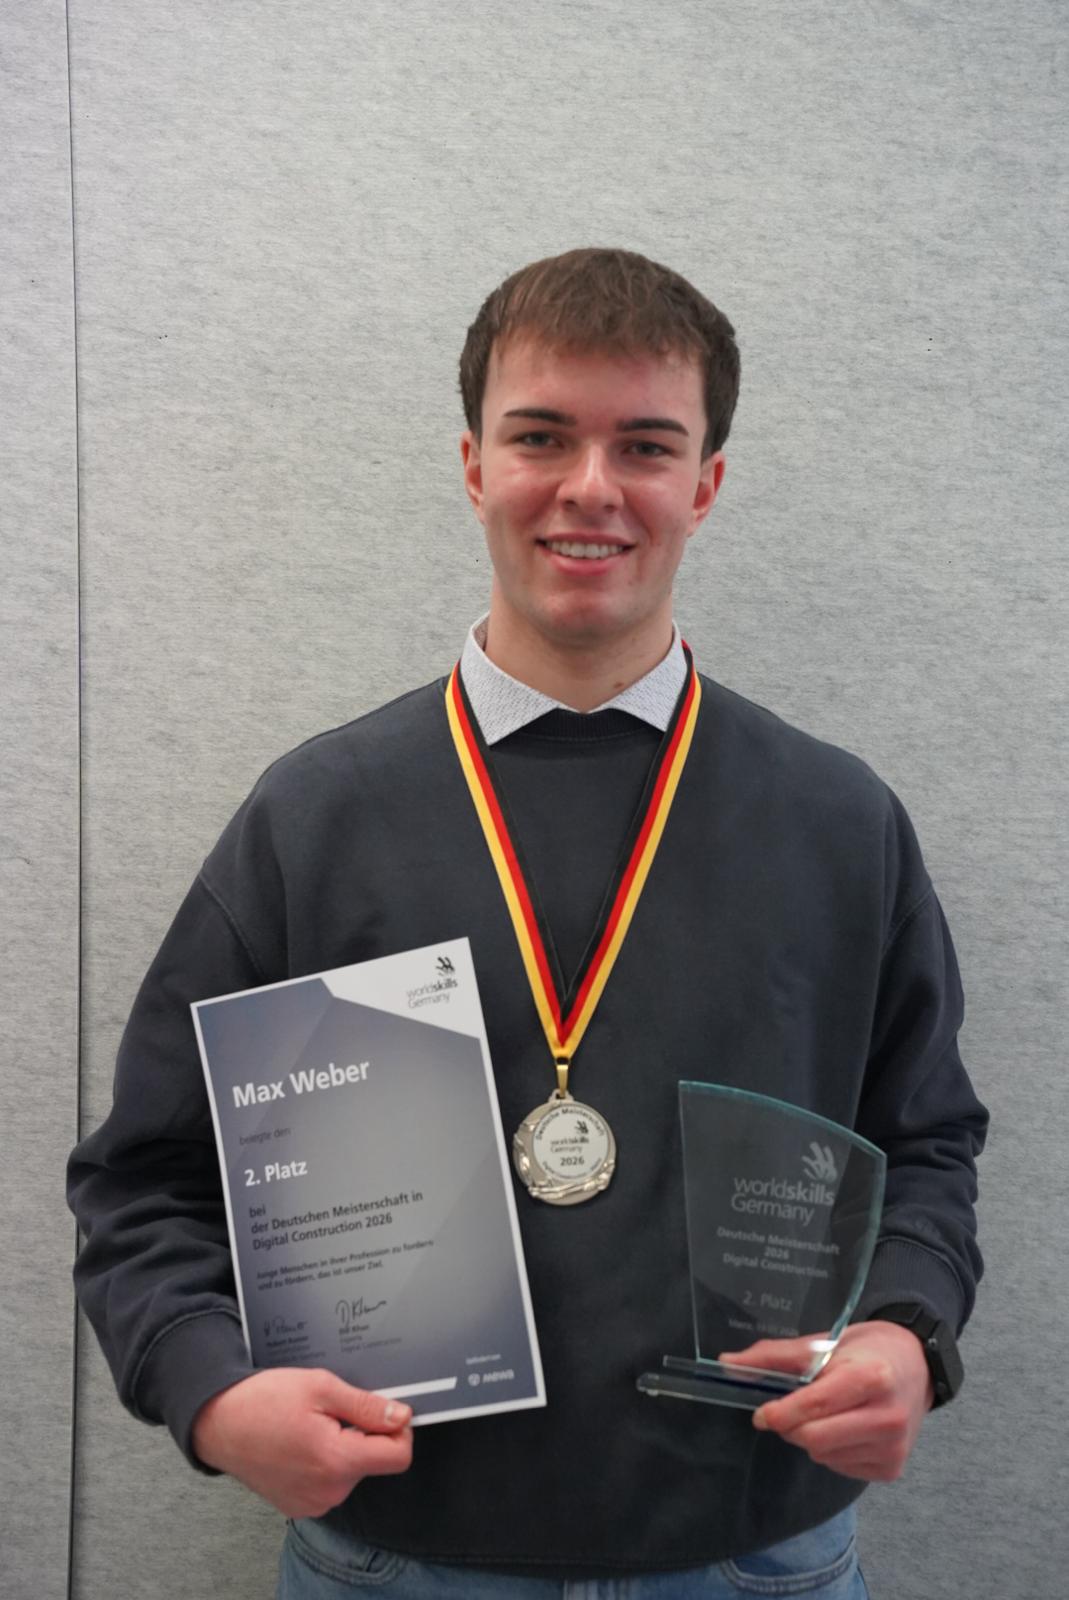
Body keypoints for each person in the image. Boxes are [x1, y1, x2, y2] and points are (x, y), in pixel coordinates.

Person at [68, 247, 987, 1598]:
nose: (591, 486)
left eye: (646, 445)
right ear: (473, 464)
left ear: (705, 484)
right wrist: (209, 1392)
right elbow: (145, 1177)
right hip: (394, 1558)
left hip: (754, 1556)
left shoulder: (838, 821)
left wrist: (906, 1330)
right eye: (541, 436)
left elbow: (926, 1146)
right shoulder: (316, 818)